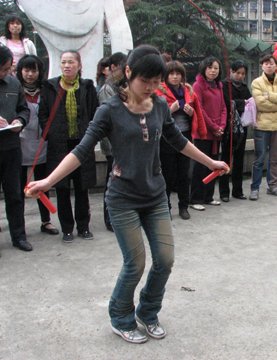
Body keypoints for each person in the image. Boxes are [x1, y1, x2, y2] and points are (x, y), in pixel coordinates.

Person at [26, 45, 229, 344]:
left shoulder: (159, 105)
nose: (151, 87)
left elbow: (178, 140)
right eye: (145, 81)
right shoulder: (109, 109)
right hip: (122, 199)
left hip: (155, 195)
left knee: (165, 260)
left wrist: (211, 162)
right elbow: (82, 150)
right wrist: (48, 180)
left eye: (156, 81)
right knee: (135, 264)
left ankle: (148, 312)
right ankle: (121, 317)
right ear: (129, 73)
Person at [39, 50, 99, 243]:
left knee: (82, 189)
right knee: (62, 189)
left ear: (79, 65)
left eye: (71, 62)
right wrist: (50, 134)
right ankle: (67, 229)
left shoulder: (87, 87)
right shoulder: (50, 87)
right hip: (59, 145)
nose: (66, 65)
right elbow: (43, 115)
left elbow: (95, 113)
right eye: (63, 62)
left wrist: (91, 135)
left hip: (81, 143)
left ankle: (83, 226)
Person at [155, 60, 207, 219]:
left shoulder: (189, 92)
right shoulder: (159, 93)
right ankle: (166, 207)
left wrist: (191, 114)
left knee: (185, 175)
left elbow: (198, 114)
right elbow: (155, 118)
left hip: (185, 137)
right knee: (167, 176)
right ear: (166, 76)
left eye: (178, 74)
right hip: (167, 139)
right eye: (172, 74)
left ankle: (184, 206)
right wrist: (170, 110)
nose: (175, 77)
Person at [17, 54, 59, 236]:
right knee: (17, 188)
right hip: (19, 142)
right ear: (20, 71)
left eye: (34, 70)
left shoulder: (46, 90)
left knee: (42, 183)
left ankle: (46, 221)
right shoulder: (15, 88)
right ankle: (18, 225)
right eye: (26, 70)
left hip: (41, 142)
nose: (30, 74)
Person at [0, 46, 32, 253]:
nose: (6, 73)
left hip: (11, 148)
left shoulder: (13, 83)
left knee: (14, 194)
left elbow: (23, 108)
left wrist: (20, 120)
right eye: (2, 69)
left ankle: (19, 236)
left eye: (7, 69)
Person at [249, 54, 277, 200]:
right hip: (262, 125)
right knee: (259, 158)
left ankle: (272, 185)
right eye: (265, 63)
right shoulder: (257, 82)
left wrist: (269, 96)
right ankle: (255, 188)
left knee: (275, 158)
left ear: (276, 65)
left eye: (271, 63)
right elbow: (260, 103)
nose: (268, 66)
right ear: (262, 66)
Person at [190, 56, 227, 211]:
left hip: (216, 133)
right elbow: (200, 109)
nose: (213, 71)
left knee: (214, 165)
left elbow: (224, 107)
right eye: (210, 67)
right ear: (204, 69)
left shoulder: (219, 86)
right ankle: (195, 198)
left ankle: (208, 196)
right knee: (200, 165)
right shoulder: (198, 85)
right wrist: (213, 126)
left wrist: (222, 126)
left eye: (216, 68)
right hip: (203, 132)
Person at [98, 52, 128, 231]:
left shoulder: (124, 85)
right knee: (112, 181)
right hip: (112, 144)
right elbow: (111, 117)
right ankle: (109, 218)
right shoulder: (107, 89)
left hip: (126, 144)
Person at [219, 60, 251, 201]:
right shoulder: (224, 85)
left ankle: (237, 190)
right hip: (228, 126)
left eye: (243, 73)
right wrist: (241, 103)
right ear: (231, 71)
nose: (240, 76)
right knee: (226, 159)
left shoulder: (244, 87)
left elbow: (250, 102)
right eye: (237, 72)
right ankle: (224, 192)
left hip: (241, 127)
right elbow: (226, 102)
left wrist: (240, 103)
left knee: (239, 158)